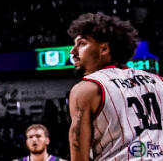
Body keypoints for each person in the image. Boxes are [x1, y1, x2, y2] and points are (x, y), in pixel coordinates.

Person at [64, 12, 162, 161]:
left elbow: (78, 151)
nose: (73, 51)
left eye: (82, 44)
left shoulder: (86, 89)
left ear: (104, 49)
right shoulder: (158, 81)